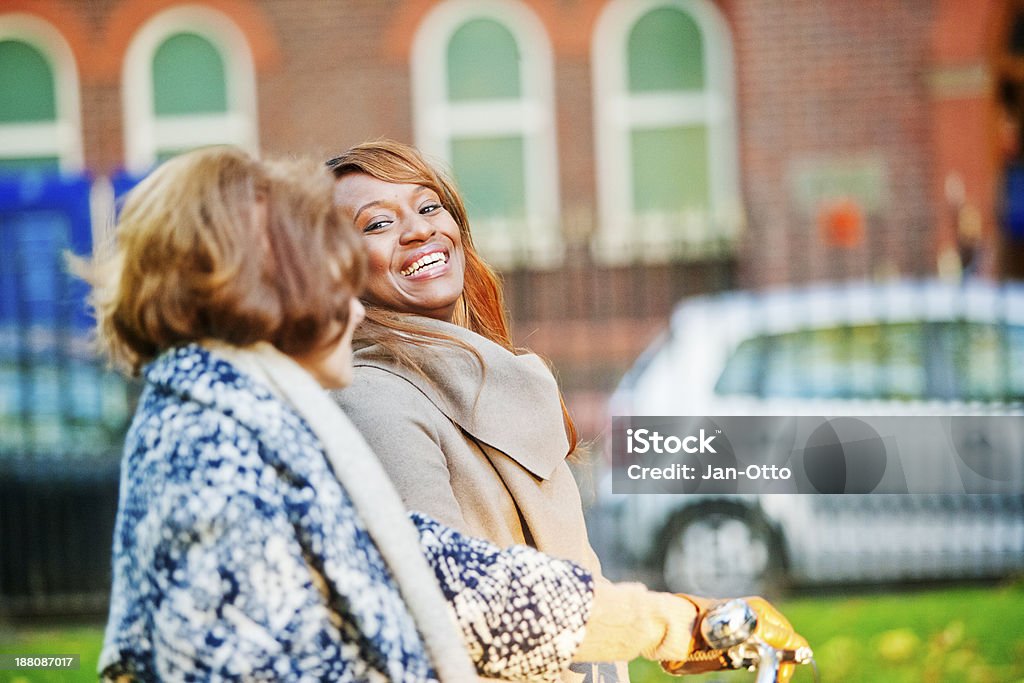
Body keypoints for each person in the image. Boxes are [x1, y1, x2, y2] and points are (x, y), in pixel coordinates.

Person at [327, 139, 808, 682]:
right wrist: (678, 625)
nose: (419, 230)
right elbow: (455, 604)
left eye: (428, 206)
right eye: (375, 224)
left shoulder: (494, 374)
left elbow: (567, 578)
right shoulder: (371, 400)